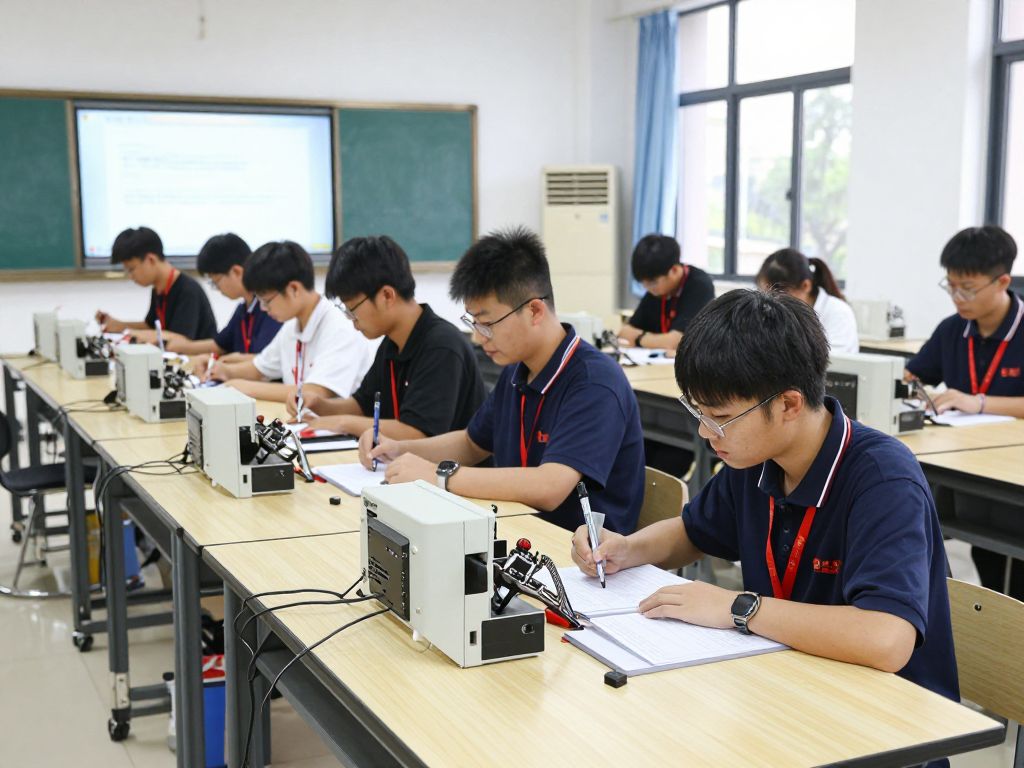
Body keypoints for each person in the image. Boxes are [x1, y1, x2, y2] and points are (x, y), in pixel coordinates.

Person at [572, 289, 958, 708]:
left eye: (720, 417)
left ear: (789, 404)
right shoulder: (756, 457)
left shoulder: (883, 479)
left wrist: (738, 608)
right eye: (698, 412)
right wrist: (626, 550)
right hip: (788, 684)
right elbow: (693, 532)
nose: (704, 431)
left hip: (885, 712)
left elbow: (886, 639)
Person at [362, 227, 646, 534]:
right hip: (519, 532)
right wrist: (399, 449)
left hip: (577, 552)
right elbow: (471, 443)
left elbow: (550, 486)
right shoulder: (517, 370)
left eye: (487, 324)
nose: (478, 337)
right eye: (473, 322)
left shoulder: (594, 382)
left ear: (534, 311)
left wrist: (439, 476)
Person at [905, 225, 1024, 598]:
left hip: (1012, 469)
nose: (958, 297)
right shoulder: (953, 329)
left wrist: (979, 402)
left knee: (1008, 566)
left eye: (968, 288)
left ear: (1002, 281)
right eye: (951, 286)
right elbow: (913, 376)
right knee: (961, 542)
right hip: (963, 463)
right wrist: (916, 391)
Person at [286, 235, 485, 439]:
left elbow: (417, 433)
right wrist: (319, 405)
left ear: (387, 296)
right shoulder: (392, 342)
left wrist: (342, 423)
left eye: (352, 310)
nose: (351, 319)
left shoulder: (442, 346)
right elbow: (362, 405)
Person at [209, 240, 373, 404]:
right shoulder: (292, 326)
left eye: (266, 301)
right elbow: (260, 368)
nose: (264, 309)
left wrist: (241, 387)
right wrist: (225, 371)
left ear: (294, 289)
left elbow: (315, 393)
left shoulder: (339, 327)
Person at [154, 234, 282, 375]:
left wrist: (225, 363)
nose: (218, 288)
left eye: (216, 282)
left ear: (236, 272)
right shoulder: (243, 309)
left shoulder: (270, 309)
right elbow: (219, 344)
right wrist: (183, 347)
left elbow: (266, 361)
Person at [96, 226, 217, 341]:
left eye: (131, 269)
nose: (130, 276)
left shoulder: (187, 290)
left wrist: (130, 333)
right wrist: (119, 325)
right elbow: (151, 326)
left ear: (151, 260)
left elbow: (181, 340)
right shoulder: (158, 288)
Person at [617, 234, 715, 351]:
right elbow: (625, 333)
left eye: (652, 282)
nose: (647, 288)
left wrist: (639, 338)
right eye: (643, 283)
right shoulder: (656, 290)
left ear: (674, 270)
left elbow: (678, 342)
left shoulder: (700, 285)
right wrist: (657, 341)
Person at [755, 248, 858, 354]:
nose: (771, 302)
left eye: (776, 295)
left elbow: (831, 360)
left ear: (805, 286)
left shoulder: (838, 312)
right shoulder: (774, 313)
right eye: (765, 294)